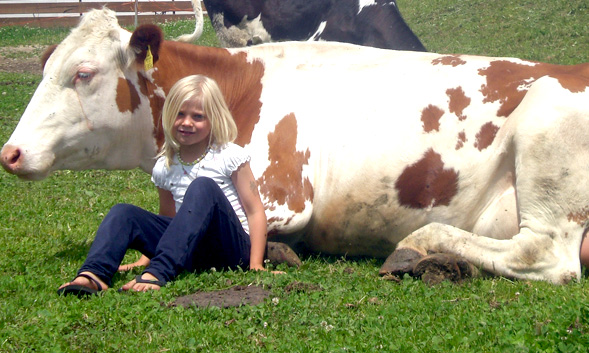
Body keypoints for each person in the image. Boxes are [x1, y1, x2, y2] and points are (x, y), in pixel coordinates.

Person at [58, 74, 268, 296]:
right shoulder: (164, 165)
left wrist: (256, 264)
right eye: (180, 114)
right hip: (191, 250)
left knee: (202, 187)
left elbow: (255, 212)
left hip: (230, 249)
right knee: (123, 213)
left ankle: (159, 272)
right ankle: (93, 275)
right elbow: (168, 220)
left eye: (198, 116)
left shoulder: (229, 155)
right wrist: (144, 258)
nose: (187, 122)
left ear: (214, 118)